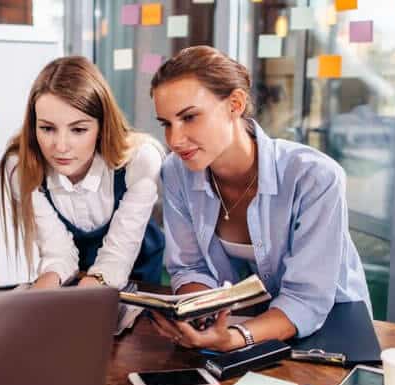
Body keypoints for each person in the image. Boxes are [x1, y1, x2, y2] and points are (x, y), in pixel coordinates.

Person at [150, 46, 371, 351]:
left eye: (189, 117)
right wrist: (198, 315)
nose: (174, 140)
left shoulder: (315, 177)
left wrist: (237, 338)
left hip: (329, 328)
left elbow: (306, 298)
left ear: (235, 104)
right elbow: (190, 268)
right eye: (166, 124)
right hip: (241, 325)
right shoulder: (176, 172)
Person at [0, 56, 165, 290]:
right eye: (47, 128)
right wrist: (44, 287)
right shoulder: (21, 166)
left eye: (78, 129)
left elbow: (117, 258)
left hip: (140, 285)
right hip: (76, 287)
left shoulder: (140, 161)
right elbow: (57, 251)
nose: (61, 146)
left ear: (101, 126)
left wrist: (86, 292)